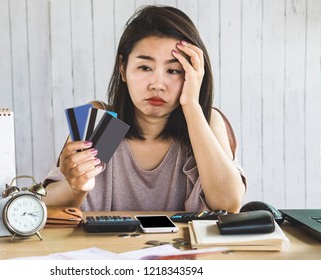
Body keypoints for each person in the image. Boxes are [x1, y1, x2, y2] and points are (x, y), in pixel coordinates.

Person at [43, 5, 246, 213]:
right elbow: (46, 205)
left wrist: (192, 105)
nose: (157, 84)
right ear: (123, 69)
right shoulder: (102, 122)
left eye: (173, 70)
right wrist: (74, 186)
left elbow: (228, 205)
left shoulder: (206, 121)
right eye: (145, 67)